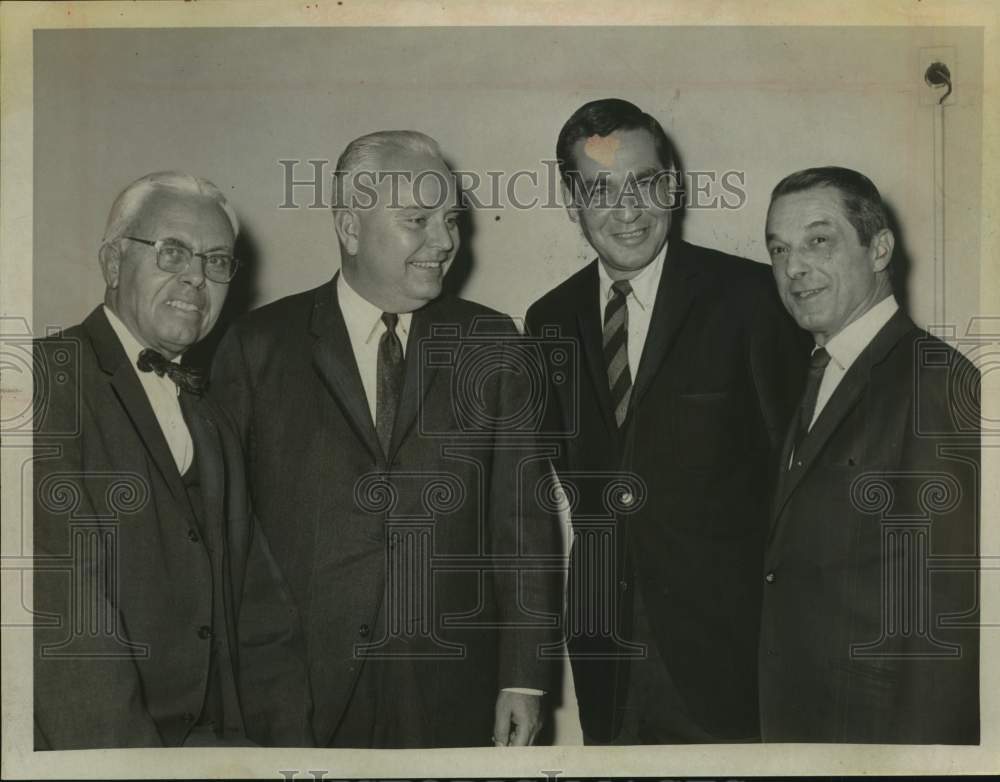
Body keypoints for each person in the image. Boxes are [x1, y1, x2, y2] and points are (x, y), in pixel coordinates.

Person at [210, 131, 561, 748]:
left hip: (452, 685)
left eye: (450, 219)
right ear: (350, 227)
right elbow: (229, 537)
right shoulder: (257, 346)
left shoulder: (495, 342)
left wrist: (525, 680)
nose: (445, 240)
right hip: (299, 692)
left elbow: (524, 529)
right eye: (417, 220)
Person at [525, 98, 807, 744]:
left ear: (673, 186)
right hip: (604, 656)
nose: (627, 210)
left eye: (645, 183)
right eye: (600, 190)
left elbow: (795, 489)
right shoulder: (548, 320)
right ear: (571, 203)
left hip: (729, 661)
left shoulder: (752, 300)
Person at [32, 171, 313, 749]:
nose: (195, 277)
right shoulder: (44, 381)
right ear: (112, 263)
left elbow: (258, 614)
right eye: (172, 252)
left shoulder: (211, 414)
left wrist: (287, 758)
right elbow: (63, 624)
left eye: (216, 261)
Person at [759, 166, 980, 743]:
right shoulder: (815, 375)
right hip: (805, 723)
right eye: (779, 249)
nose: (794, 267)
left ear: (879, 248)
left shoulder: (933, 380)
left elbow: (944, 617)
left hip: (877, 736)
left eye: (819, 240)